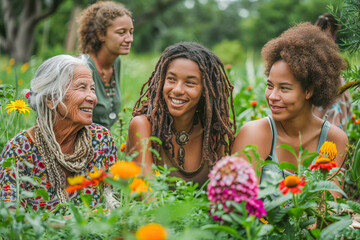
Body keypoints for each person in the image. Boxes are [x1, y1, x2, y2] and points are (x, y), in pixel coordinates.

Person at [231, 23, 348, 198]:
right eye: (270, 86)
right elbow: (238, 205)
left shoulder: (334, 140)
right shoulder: (255, 134)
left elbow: (327, 209)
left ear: (309, 91)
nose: (272, 96)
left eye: (284, 88)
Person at [0, 55, 117, 211]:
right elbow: (10, 220)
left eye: (92, 88)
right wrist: (73, 223)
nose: (93, 98)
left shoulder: (101, 139)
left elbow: (115, 200)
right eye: (82, 87)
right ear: (51, 99)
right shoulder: (19, 150)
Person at [125, 42, 236, 187]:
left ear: (205, 90)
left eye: (190, 83)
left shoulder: (213, 133)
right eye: (171, 79)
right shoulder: (143, 126)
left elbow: (221, 193)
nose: (177, 89)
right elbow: (147, 195)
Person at [78, 1, 134, 130]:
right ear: (101, 34)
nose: (129, 39)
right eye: (121, 33)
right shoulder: (83, 66)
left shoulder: (116, 62)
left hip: (103, 144)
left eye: (131, 32)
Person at [313, 13, 352, 131]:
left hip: (319, 89)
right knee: (333, 123)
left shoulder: (311, 40)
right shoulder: (329, 43)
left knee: (318, 124)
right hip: (333, 86)